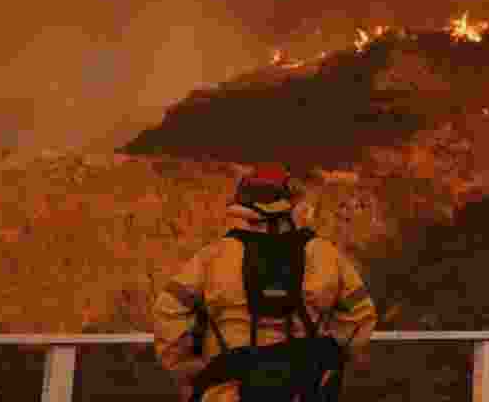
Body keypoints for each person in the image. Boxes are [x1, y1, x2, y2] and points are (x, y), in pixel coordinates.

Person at [153, 164, 377, 401]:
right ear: (289, 207)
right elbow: (360, 317)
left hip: (228, 392)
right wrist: (327, 355)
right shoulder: (325, 255)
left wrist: (188, 367)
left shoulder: (211, 257)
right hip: (304, 391)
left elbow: (168, 312)